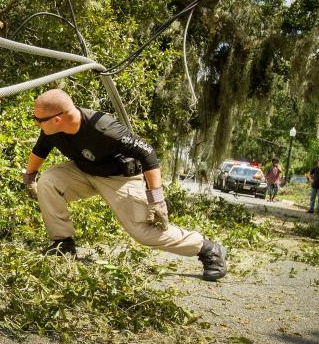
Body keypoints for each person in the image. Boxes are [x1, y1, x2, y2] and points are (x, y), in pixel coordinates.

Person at [21, 89, 227, 281]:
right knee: (48, 181)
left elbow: (148, 152)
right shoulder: (52, 130)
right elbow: (40, 150)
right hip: (85, 172)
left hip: (120, 178)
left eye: (38, 120)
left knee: (142, 232)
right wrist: (30, 177)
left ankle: (207, 248)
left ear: (57, 119)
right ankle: (63, 244)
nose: (36, 123)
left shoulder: (104, 128)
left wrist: (156, 199)